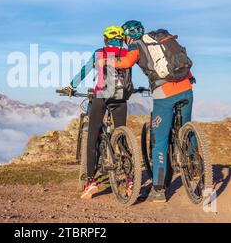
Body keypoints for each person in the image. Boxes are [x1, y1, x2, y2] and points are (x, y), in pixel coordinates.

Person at [110, 20, 196, 203]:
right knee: (185, 128)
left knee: (160, 141)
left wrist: (106, 61)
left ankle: (158, 190)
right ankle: (196, 167)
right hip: (187, 88)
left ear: (127, 36)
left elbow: (126, 62)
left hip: (165, 94)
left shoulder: (136, 45)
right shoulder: (161, 39)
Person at [61, 25, 130, 199]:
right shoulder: (126, 54)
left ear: (106, 39)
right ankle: (129, 180)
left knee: (92, 137)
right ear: (121, 39)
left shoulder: (100, 52)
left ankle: (90, 182)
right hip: (121, 97)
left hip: (103, 96)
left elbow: (84, 71)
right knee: (122, 137)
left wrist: (71, 86)